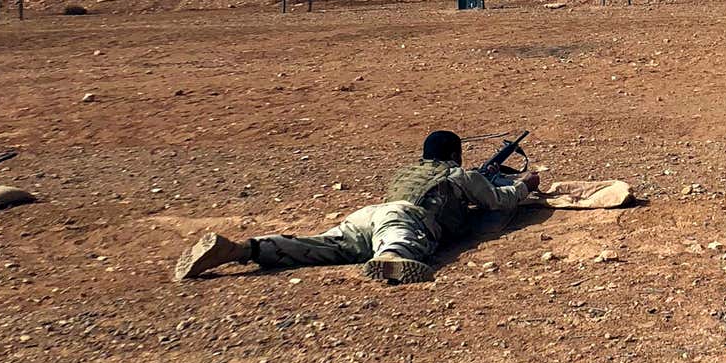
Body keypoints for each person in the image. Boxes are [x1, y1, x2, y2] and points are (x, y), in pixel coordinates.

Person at [173, 130, 539, 285]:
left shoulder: (407, 171)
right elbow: (497, 200)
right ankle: (392, 263)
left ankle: (243, 249)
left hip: (368, 216)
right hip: (404, 221)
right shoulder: (459, 174)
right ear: (454, 155)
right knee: (400, 249)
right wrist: (524, 185)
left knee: (319, 245)